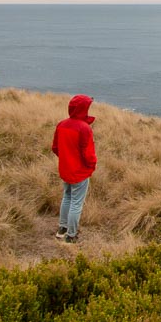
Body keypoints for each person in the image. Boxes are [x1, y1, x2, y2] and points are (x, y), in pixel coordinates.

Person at [52, 94, 97, 244]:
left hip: (65, 169)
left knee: (67, 197)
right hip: (79, 172)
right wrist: (91, 166)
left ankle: (62, 229)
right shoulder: (84, 128)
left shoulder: (61, 125)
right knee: (76, 203)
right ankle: (71, 235)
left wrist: (65, 159)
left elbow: (55, 148)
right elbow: (88, 154)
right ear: (82, 109)